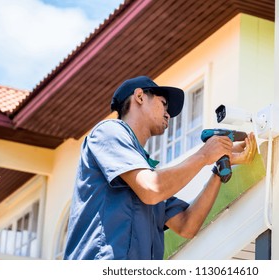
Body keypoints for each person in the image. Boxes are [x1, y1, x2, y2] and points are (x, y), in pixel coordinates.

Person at [64, 76, 257, 260]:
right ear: (139, 96)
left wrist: (219, 168)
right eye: (164, 104)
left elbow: (187, 225)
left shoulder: (147, 173)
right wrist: (204, 155)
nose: (168, 114)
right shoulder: (109, 132)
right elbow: (152, 189)